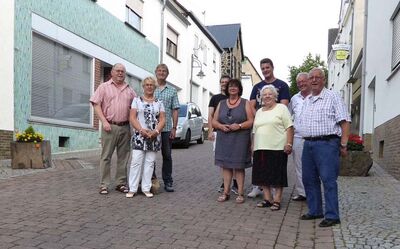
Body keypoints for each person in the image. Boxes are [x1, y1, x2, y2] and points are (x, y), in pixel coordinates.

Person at [298, 67, 350, 227]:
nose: (314, 80)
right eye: (311, 78)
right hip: (308, 144)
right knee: (309, 179)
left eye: (317, 77)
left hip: (327, 144)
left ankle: (333, 215)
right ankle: (315, 211)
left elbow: (344, 122)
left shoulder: (333, 96)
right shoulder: (306, 101)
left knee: (328, 180)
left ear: (324, 79)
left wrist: (343, 144)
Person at [90, 63, 136, 195]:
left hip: (125, 127)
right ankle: (104, 184)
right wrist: (103, 121)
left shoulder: (130, 90)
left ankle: (120, 183)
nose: (120, 73)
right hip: (109, 126)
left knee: (123, 157)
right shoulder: (104, 87)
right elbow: (96, 104)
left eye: (122, 71)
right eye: (118, 71)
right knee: (106, 157)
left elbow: (136, 108)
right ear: (112, 72)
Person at [248, 58, 290, 198]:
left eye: (267, 67)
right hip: (261, 138)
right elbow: (251, 105)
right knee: (261, 169)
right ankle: (261, 191)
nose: (265, 70)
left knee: (275, 170)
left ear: (272, 67)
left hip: (277, 140)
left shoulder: (282, 85)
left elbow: (284, 107)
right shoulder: (257, 87)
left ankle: (275, 197)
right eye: (263, 68)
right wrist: (261, 115)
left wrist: (271, 112)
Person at [252, 85, 294, 211]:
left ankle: (277, 200)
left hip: (277, 147)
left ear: (275, 96)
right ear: (261, 98)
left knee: (277, 175)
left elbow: (289, 127)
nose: (267, 96)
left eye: (270, 94)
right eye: (264, 94)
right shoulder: (259, 111)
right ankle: (267, 199)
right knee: (262, 175)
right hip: (260, 147)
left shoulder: (281, 108)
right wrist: (253, 146)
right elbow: (255, 131)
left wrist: (289, 143)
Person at [212, 79, 254, 204]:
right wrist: (220, 126)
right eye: (230, 86)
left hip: (240, 139)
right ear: (227, 89)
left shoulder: (245, 103)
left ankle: (240, 193)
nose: (233, 88)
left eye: (235, 86)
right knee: (225, 166)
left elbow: (251, 121)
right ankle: (226, 192)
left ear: (239, 89)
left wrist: (240, 125)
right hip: (224, 138)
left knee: (239, 166)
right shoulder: (221, 103)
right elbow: (214, 121)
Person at [126, 77, 165, 198]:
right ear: (143, 86)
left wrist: (156, 131)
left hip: (154, 136)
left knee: (150, 163)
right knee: (136, 162)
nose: (149, 87)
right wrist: (141, 130)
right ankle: (132, 188)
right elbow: (132, 117)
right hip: (139, 136)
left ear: (154, 87)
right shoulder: (136, 100)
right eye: (147, 85)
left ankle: (146, 188)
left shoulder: (159, 102)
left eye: (151, 85)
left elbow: (162, 119)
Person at [208, 75, 239, 194]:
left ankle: (236, 183)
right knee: (222, 159)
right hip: (218, 131)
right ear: (220, 83)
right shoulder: (215, 98)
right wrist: (210, 131)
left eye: (227, 82)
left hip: (233, 132)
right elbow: (210, 115)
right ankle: (224, 182)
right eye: (222, 82)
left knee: (234, 157)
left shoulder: (235, 97)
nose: (224, 84)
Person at [154, 64, 180, 192]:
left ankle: (168, 181)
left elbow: (175, 110)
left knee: (167, 155)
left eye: (164, 71)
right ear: (156, 72)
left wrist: (174, 128)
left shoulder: (172, 90)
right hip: (151, 129)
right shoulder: (150, 87)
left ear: (167, 74)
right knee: (150, 155)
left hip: (166, 128)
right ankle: (151, 179)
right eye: (159, 70)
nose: (161, 73)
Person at [288, 72, 311, 201]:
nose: (301, 84)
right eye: (299, 82)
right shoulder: (294, 98)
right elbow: (288, 115)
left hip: (312, 137)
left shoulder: (315, 96)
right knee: (299, 166)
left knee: (312, 167)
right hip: (297, 137)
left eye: (304, 81)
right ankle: (302, 193)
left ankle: (313, 193)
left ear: (309, 81)